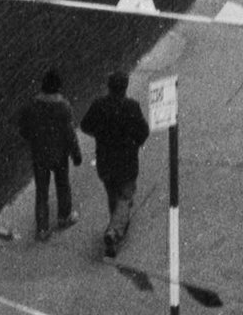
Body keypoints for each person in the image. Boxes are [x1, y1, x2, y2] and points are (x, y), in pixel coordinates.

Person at [79, 69, 151, 258]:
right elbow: (143, 131)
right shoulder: (132, 107)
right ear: (125, 87)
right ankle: (114, 231)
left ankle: (115, 228)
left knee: (113, 194)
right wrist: (135, 143)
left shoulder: (98, 105)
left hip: (105, 159)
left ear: (109, 86)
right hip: (127, 160)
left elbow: (85, 126)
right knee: (126, 196)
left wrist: (100, 135)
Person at [14, 66, 82, 240]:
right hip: (60, 154)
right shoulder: (63, 106)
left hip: (39, 154)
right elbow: (69, 133)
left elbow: (23, 129)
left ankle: (42, 229)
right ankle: (64, 216)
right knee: (63, 185)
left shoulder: (31, 106)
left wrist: (34, 140)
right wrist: (76, 154)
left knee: (41, 192)